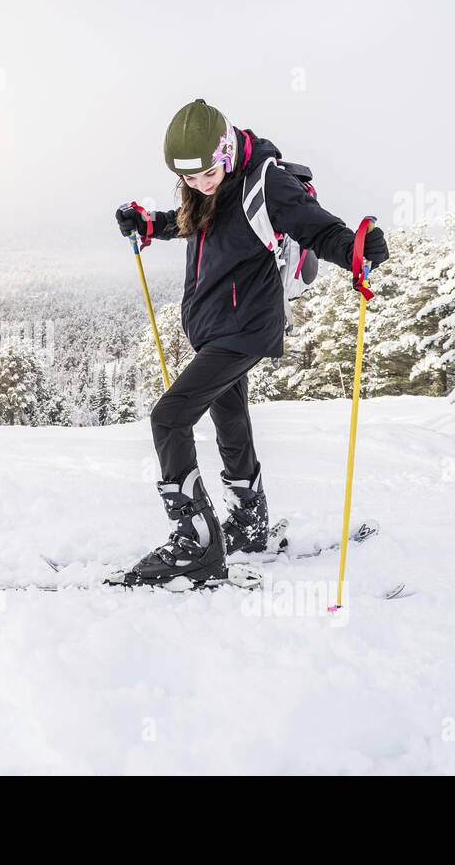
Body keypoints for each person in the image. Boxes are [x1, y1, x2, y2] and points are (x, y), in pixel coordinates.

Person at [114, 98, 389, 587]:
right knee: (230, 418)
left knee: (169, 418)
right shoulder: (209, 184)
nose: (199, 185)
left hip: (246, 327)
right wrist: (150, 223)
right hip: (218, 328)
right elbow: (196, 224)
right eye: (188, 179)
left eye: (205, 174)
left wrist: (356, 251)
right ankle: (248, 524)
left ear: (225, 149)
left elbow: (319, 229)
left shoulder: (267, 181)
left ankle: (196, 545)